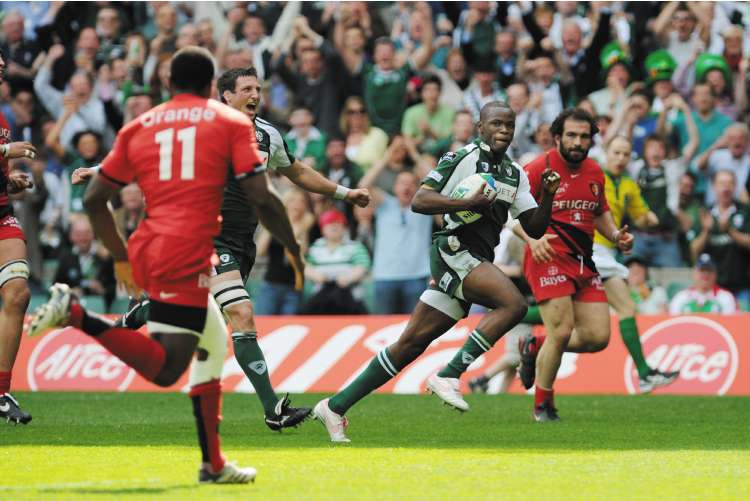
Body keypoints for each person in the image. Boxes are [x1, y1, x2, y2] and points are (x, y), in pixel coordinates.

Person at [28, 46, 284, 483]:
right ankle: (77, 313)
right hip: (188, 249)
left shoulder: (143, 124)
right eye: (247, 89)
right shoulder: (227, 126)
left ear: (168, 84)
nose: (254, 95)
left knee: (214, 340)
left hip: (151, 246)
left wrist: (121, 257)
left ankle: (214, 463)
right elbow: (258, 192)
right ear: (212, 90)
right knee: (168, 368)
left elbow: (101, 195)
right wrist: (291, 240)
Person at [313, 101, 561, 442]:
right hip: (454, 249)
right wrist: (465, 204)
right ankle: (450, 373)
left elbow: (533, 227)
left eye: (509, 125)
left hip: (476, 257)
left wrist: (547, 196)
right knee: (513, 304)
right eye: (496, 124)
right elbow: (420, 200)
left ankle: (335, 407)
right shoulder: (464, 158)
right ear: (480, 127)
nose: (503, 130)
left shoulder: (514, 173)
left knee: (410, 344)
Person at [513, 109, 634, 421]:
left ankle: (534, 343)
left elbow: (600, 213)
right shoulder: (540, 167)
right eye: (571, 135)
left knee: (597, 337)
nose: (578, 142)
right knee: (563, 330)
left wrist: (616, 236)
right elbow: (509, 212)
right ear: (557, 138)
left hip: (583, 260)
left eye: (584, 136)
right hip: (547, 257)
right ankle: (543, 405)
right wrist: (532, 239)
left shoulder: (595, 171)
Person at [590, 136, 679, 393]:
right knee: (626, 307)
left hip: (606, 252)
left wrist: (653, 218)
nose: (620, 158)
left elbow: (642, 215)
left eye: (626, 154)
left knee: (571, 317)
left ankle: (519, 319)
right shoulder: (594, 174)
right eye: (616, 152)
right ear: (605, 152)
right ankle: (645, 374)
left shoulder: (629, 184)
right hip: (590, 249)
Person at [0, 50, 38, 425]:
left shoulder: (2, 115)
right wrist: (4, 150)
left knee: (18, 293)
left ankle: (0, 391)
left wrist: (9, 180)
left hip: (0, 213)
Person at [669, 254, 739, 314]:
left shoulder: (725, 297)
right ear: (694, 273)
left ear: (715, 274)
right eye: (702, 270)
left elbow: (731, 324)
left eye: (709, 270)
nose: (706, 274)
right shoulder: (681, 297)